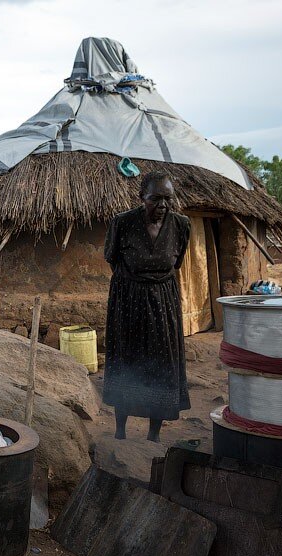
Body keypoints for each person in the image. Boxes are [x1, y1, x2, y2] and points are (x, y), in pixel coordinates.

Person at [103, 172, 191, 442]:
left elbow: (176, 263)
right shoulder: (123, 223)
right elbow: (112, 257)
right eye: (155, 199)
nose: (162, 205)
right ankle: (120, 432)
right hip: (128, 299)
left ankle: (154, 435)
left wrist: (154, 283)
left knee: (162, 363)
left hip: (163, 301)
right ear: (142, 198)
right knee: (126, 359)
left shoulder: (181, 225)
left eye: (168, 198)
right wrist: (134, 282)